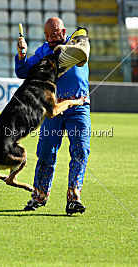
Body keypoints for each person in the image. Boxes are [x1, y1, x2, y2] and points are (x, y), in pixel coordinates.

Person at [15, 17, 90, 215]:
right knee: (46, 153)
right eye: (47, 36)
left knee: (81, 151)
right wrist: (21, 54)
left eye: (54, 35)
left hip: (78, 105)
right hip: (52, 108)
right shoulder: (43, 51)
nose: (50, 39)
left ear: (64, 32)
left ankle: (74, 197)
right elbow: (22, 72)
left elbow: (83, 47)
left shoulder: (77, 45)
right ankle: (39, 196)